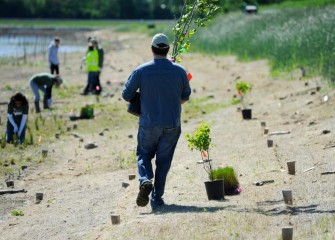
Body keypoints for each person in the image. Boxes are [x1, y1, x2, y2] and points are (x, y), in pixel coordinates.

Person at [122, 33, 191, 210]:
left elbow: (126, 95)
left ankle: (145, 180)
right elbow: (185, 97)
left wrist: (144, 95)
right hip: (172, 123)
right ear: (168, 49)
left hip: (149, 123)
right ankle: (157, 199)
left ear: (152, 49)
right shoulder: (180, 70)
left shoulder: (141, 70)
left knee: (144, 154)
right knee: (164, 161)